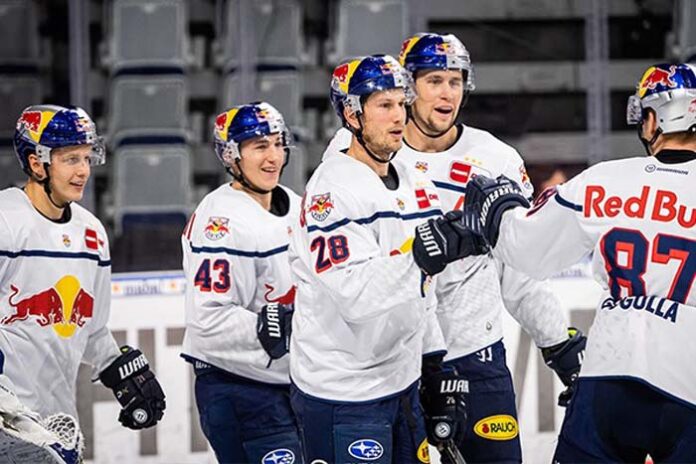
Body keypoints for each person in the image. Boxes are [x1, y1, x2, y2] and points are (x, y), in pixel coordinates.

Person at [325, 33, 586, 462]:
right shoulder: (359, 148)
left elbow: (516, 269)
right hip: (394, 362)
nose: (447, 92)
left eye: (456, 80)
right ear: (406, 87)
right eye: (433, 80)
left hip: (475, 358)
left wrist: (557, 343)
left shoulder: (496, 159)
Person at [460, 63, 696, 462]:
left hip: (611, 367)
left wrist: (498, 208)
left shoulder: (608, 179)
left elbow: (526, 251)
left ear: (655, 117)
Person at [288, 55, 477, 463]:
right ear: (352, 115)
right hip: (344, 394)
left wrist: (433, 364)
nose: (399, 117)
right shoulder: (330, 193)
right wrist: (425, 255)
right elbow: (355, 295)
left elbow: (421, 290)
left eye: (401, 104)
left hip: (402, 384)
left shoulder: (413, 180)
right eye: (384, 105)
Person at [0, 104, 165, 460]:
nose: (83, 171)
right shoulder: (5, 222)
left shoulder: (91, 233)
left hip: (57, 424)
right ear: (35, 163)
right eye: (70, 159)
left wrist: (117, 366)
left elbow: (90, 328)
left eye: (87, 158)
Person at [181, 102, 303, 463]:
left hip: (291, 385)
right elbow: (209, 320)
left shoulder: (295, 205)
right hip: (239, 388)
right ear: (232, 156)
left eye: (278, 144)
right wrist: (276, 324)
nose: (273, 157)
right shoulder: (218, 221)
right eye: (259, 147)